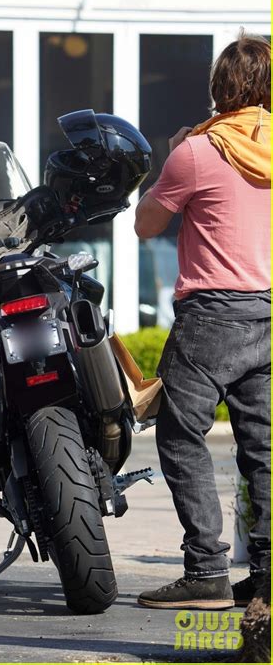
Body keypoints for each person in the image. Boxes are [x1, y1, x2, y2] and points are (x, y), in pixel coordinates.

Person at [134, 31, 270, 609]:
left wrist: (171, 159)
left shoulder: (198, 151)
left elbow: (146, 225)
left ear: (219, 86)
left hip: (211, 314)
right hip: (266, 310)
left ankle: (207, 570)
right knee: (261, 446)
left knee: (179, 432)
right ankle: (265, 573)